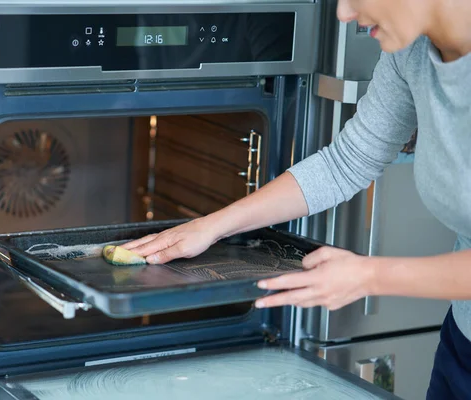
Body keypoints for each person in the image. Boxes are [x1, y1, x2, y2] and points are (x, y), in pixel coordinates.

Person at [123, 0, 471, 398]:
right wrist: (211, 226)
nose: (342, 14)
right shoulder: (410, 53)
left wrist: (370, 276)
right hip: (462, 341)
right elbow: (347, 162)